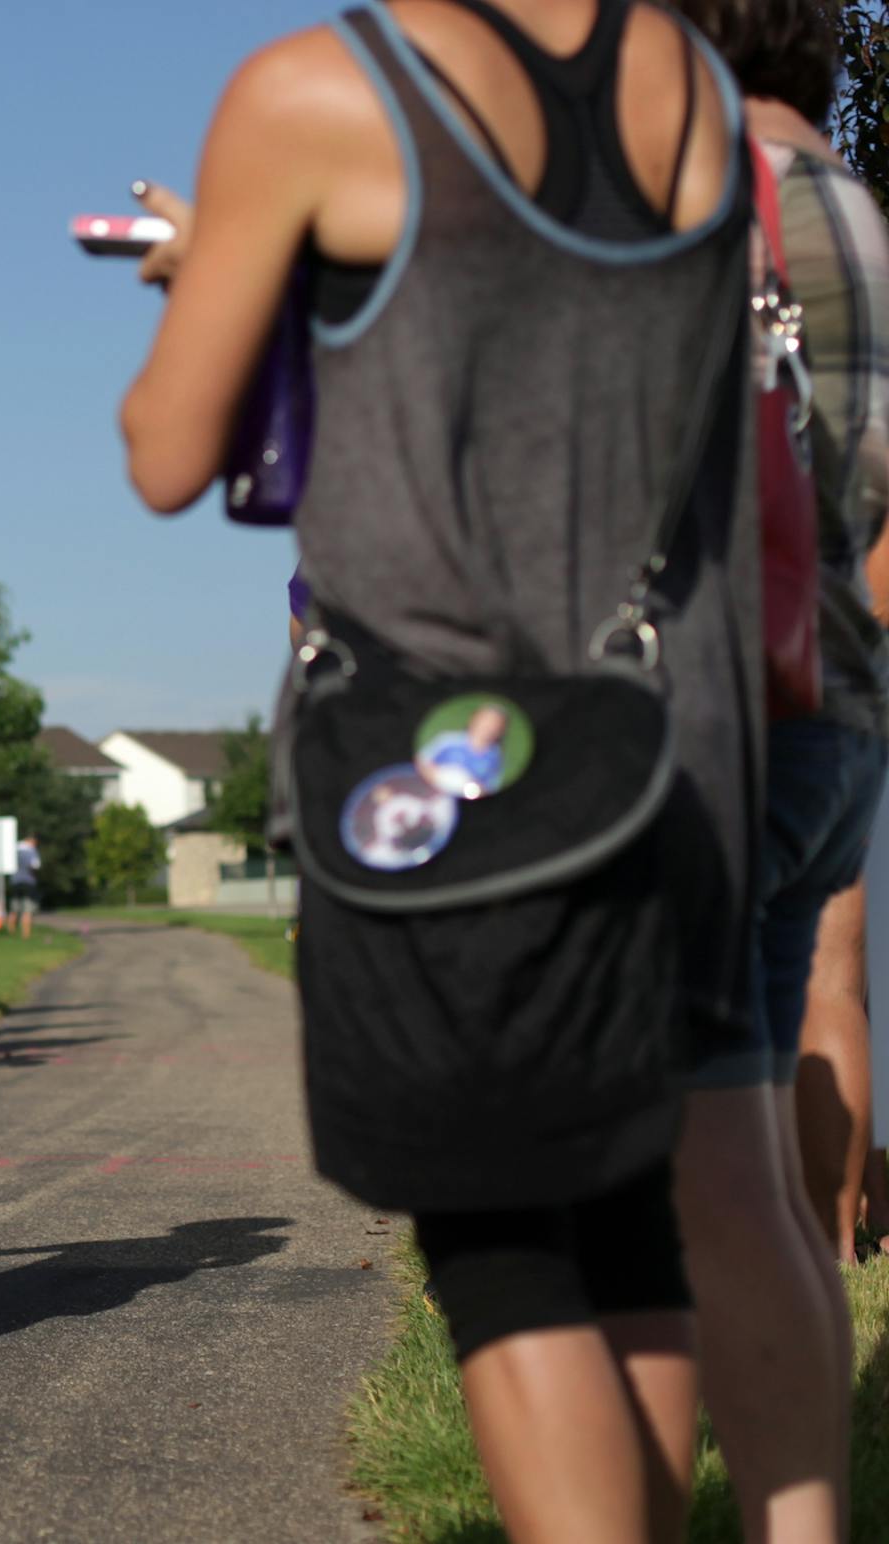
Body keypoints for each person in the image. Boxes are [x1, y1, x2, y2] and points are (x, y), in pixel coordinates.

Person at [119, 5, 747, 1540]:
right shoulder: (694, 83)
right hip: (677, 743)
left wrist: (217, 275)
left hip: (450, 774)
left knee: (500, 1249)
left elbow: (167, 452)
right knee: (626, 1231)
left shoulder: (319, 92)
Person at [672, 6, 889, 1535]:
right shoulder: (869, 220)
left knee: (685, 1178)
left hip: (712, 705)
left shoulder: (697, 197)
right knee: (804, 1038)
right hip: (840, 698)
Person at [10, 834, 42, 939]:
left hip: (15, 882)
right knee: (27, 910)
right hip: (28, 882)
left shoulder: (14, 849)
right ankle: (26, 935)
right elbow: (35, 865)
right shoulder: (31, 851)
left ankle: (11, 933)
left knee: (14, 909)